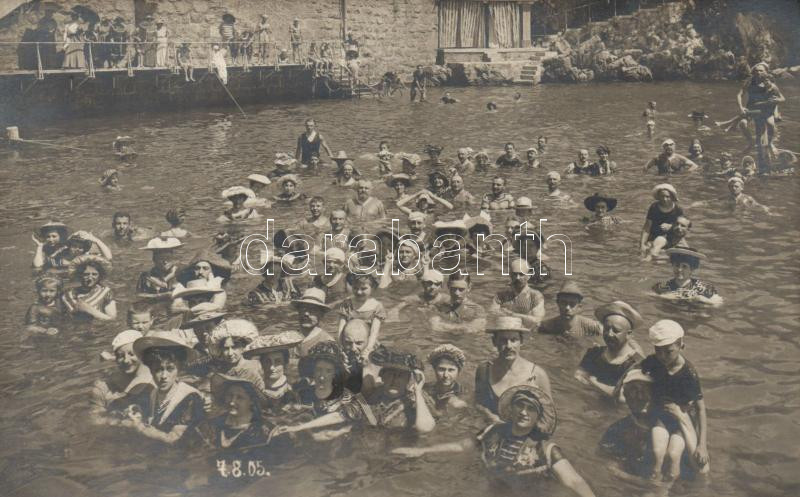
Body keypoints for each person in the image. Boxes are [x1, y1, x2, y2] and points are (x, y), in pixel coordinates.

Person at [393, 385, 596, 497]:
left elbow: (574, 481)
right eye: (520, 406)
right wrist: (423, 451)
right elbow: (462, 446)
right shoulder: (493, 431)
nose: (524, 412)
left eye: (531, 409)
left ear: (538, 416)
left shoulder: (546, 448)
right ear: (512, 409)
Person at [272, 345, 435, 437]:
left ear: (408, 380)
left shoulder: (417, 400)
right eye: (391, 374)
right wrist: (300, 427)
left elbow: (426, 429)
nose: (394, 380)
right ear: (382, 376)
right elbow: (341, 415)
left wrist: (418, 392)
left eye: (400, 376)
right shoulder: (373, 398)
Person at [641, 320, 710, 481]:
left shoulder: (689, 374)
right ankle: (656, 485)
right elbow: (635, 372)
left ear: (681, 346)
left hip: (681, 419)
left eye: (668, 351)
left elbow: (701, 408)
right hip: (661, 415)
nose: (662, 356)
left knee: (673, 454)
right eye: (658, 351)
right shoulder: (653, 361)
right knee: (658, 452)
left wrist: (702, 445)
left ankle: (670, 485)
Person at [121, 331, 205, 444]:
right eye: (158, 370)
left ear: (179, 369)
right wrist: (138, 416)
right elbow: (155, 424)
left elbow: (174, 439)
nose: (164, 376)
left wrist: (139, 427)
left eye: (170, 369)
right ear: (151, 370)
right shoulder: (154, 393)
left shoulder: (190, 397)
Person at [475, 316, 552, 423]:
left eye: (514, 340)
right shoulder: (484, 370)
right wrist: (489, 416)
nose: (509, 346)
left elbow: (549, 415)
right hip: (493, 426)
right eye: (503, 340)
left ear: (521, 341)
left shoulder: (537, 374)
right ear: (494, 342)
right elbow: (478, 403)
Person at [575, 301, 644, 398]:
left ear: (629, 334)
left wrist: (592, 381)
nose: (609, 334)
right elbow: (578, 376)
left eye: (616, 331)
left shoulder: (636, 364)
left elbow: (623, 397)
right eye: (606, 329)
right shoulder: (594, 353)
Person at [598, 368, 656, 478]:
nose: (641, 397)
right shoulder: (616, 430)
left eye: (647, 391)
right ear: (625, 395)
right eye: (634, 391)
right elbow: (608, 467)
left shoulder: (666, 429)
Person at [91, 329, 155, 425]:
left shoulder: (156, 381)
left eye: (131, 354)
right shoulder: (102, 388)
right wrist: (120, 421)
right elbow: (95, 420)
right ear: (115, 358)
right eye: (120, 356)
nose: (126, 360)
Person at [200, 373, 268, 453]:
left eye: (239, 397)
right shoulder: (211, 426)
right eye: (230, 395)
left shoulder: (264, 431)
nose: (232, 402)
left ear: (252, 401)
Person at [737, 62, 785, 171]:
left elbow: (779, 98)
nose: (758, 72)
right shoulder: (750, 82)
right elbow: (739, 94)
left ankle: (768, 148)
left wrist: (776, 111)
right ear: (753, 72)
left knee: (770, 126)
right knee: (742, 123)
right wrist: (741, 107)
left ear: (766, 72)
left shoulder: (768, 82)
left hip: (764, 110)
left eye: (761, 70)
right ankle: (751, 142)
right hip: (751, 108)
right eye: (756, 70)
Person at [652, 247, 723, 306]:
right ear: (672, 265)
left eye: (684, 266)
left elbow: (719, 303)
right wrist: (668, 296)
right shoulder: (662, 286)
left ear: (692, 269)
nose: (679, 269)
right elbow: (650, 297)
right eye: (677, 265)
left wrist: (702, 299)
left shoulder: (704, 288)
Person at [338, 272, 385, 359]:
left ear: (373, 287)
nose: (359, 292)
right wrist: (340, 347)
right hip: (349, 343)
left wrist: (367, 350)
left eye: (363, 288)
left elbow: (374, 332)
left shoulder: (377, 306)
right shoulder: (347, 304)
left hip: (369, 343)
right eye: (355, 288)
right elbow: (341, 330)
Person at [208, 319, 264, 392]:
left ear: (243, 347)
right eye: (226, 348)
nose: (230, 353)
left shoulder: (254, 367)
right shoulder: (221, 373)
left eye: (234, 347)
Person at [490, 259, 545, 329]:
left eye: (521, 274)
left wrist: (512, 314)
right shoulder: (500, 295)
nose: (517, 278)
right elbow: (491, 316)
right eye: (514, 274)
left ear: (529, 275)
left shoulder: (535, 296)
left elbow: (537, 321)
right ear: (510, 274)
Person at [538, 281, 602, 338]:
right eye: (563, 303)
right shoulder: (546, 327)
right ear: (557, 303)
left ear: (579, 307)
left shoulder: (592, 327)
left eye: (572, 304)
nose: (567, 308)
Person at [63, 255, 117, 321]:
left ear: (100, 276)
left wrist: (88, 309)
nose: (90, 278)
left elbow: (111, 319)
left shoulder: (105, 292)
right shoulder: (68, 294)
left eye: (94, 274)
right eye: (86, 274)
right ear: (80, 275)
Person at [639, 183, 683, 257]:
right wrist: (642, 245)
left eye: (667, 197)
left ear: (672, 197)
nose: (665, 199)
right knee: (649, 247)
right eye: (662, 196)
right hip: (654, 237)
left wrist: (671, 226)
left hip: (669, 237)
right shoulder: (654, 207)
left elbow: (683, 228)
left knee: (661, 241)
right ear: (658, 197)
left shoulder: (678, 209)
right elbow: (647, 227)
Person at [291, 288, 335, 358]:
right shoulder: (289, 338)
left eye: (312, 310)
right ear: (298, 311)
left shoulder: (327, 342)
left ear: (321, 315)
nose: (306, 313)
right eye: (303, 309)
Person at [425, 344, 468, 413]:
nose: (445, 375)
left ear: (458, 372)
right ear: (434, 369)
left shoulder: (463, 395)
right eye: (441, 369)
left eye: (451, 370)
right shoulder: (425, 388)